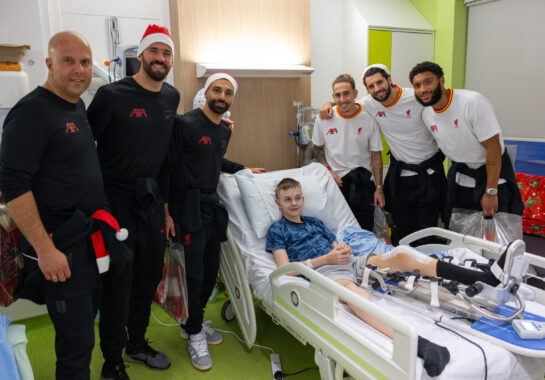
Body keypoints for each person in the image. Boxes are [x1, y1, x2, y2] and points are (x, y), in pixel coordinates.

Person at [267, 178, 515, 377]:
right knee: (355, 295)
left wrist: (341, 250)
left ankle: (484, 277)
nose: (294, 203)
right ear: (278, 203)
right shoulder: (278, 231)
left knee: (405, 256)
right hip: (323, 272)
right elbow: (286, 270)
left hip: (348, 261)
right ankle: (425, 346)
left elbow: (337, 244)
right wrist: (326, 260)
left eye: (297, 197)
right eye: (287, 199)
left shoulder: (315, 222)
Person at [0, 31, 127, 380]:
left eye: (85, 62)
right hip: (59, 248)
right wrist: (45, 250)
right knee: (75, 345)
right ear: (50, 64)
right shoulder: (31, 113)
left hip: (86, 243)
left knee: (85, 330)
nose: (79, 70)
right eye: (68, 61)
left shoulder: (76, 106)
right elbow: (13, 187)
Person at [86, 24, 180, 379]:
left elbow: (168, 157)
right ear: (140, 55)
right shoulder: (112, 96)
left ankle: (137, 343)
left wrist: (167, 209)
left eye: (166, 53)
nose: (160, 58)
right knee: (117, 284)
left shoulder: (172, 97)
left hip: (152, 202)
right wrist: (95, 206)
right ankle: (112, 360)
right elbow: (84, 149)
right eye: (154, 52)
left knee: (147, 277)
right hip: (116, 202)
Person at [161, 73, 265, 371]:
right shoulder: (185, 124)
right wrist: (167, 212)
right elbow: (167, 169)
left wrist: (243, 169)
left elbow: (215, 161)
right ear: (205, 92)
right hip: (187, 208)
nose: (222, 96)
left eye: (228, 93)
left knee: (210, 272)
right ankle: (194, 334)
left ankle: (193, 322)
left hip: (211, 206)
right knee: (194, 273)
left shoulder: (224, 131)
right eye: (217, 90)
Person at [319, 64, 446, 241]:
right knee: (401, 227)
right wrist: (328, 105)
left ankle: (429, 263)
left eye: (380, 82)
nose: (377, 89)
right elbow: (345, 103)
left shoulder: (415, 97)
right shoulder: (369, 103)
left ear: (389, 80)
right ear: (366, 90)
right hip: (401, 174)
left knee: (427, 228)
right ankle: (402, 264)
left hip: (429, 173)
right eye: (371, 86)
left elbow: (440, 101)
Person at [409, 62, 524, 226]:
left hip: (492, 176)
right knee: (459, 229)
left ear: (441, 81)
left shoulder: (472, 103)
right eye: (417, 85)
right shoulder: (427, 114)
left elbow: (493, 149)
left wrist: (491, 192)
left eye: (428, 82)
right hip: (461, 174)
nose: (423, 89)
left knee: (494, 233)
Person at [313, 74, 384, 231]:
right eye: (338, 95)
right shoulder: (324, 118)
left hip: (364, 183)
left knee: (365, 230)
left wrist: (379, 188)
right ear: (333, 96)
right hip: (336, 183)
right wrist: (328, 170)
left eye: (346, 93)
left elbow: (375, 155)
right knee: (339, 232)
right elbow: (317, 149)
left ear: (355, 93)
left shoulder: (369, 118)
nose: (342, 99)